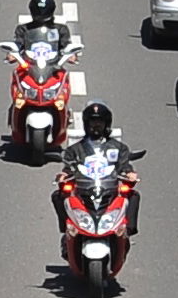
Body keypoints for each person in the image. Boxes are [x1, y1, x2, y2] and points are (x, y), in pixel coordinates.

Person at [51, 101, 140, 256]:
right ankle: (68, 232)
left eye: (100, 122)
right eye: (92, 122)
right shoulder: (75, 149)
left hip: (109, 189)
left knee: (133, 195)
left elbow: (125, 166)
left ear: (106, 124)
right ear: (86, 124)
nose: (96, 125)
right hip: (84, 190)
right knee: (58, 195)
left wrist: (130, 174)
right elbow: (68, 168)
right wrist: (64, 176)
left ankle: (126, 231)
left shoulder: (119, 148)